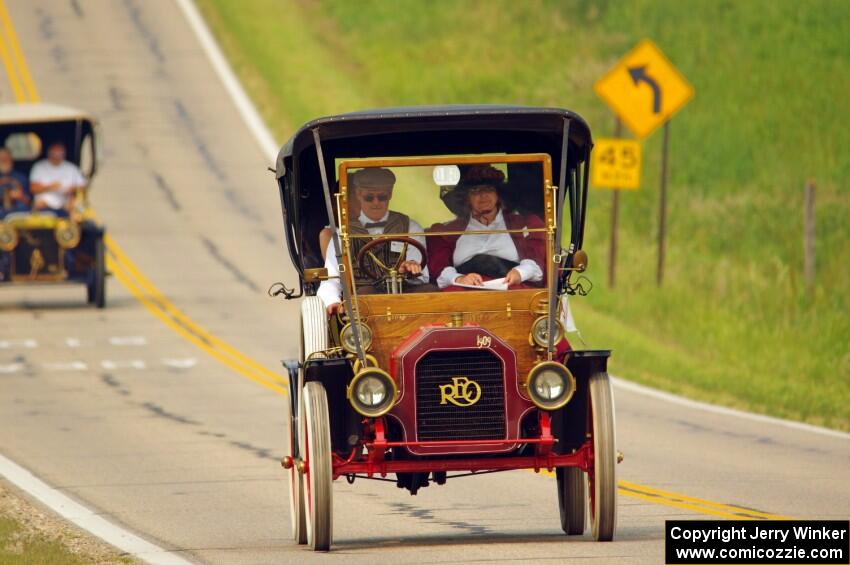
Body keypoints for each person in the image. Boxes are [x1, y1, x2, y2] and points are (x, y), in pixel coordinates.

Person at [317, 167, 429, 314]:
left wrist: (410, 269)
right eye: (369, 197)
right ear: (358, 195)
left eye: (382, 197)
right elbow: (332, 277)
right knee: (365, 296)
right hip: (364, 299)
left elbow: (423, 276)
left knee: (430, 291)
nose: (376, 202)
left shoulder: (410, 226)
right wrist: (333, 301)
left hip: (405, 294)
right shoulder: (343, 232)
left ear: (390, 194)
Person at [427, 164, 545, 290]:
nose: (483, 195)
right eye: (475, 190)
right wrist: (459, 278)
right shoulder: (449, 231)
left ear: (498, 194)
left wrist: (520, 273)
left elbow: (539, 260)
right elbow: (438, 268)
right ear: (466, 198)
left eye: (488, 189)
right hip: (464, 294)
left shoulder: (523, 225)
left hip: (510, 291)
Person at [29, 141, 86, 216]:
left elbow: (82, 186)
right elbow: (33, 188)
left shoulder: (71, 168)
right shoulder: (39, 167)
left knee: (78, 209)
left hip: (66, 203)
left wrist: (72, 189)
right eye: (54, 154)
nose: (57, 157)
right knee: (38, 206)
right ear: (49, 154)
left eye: (60, 154)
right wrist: (50, 187)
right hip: (43, 204)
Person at [0, 148, 30, 218]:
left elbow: (29, 202)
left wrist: (21, 196)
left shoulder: (21, 177)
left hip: (17, 214)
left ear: (11, 159)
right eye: (1, 157)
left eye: (6, 157)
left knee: (22, 206)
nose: (4, 160)